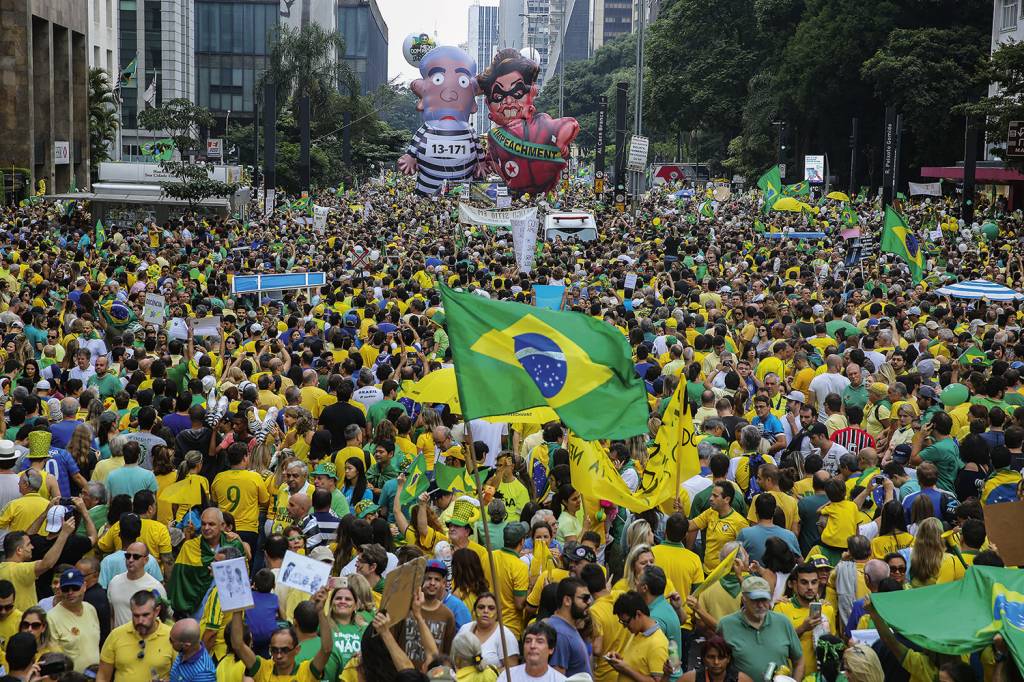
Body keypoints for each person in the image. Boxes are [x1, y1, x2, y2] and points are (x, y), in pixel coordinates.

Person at [228, 585, 334, 680]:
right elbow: (238, 645)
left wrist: (320, 611)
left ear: (297, 649)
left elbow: (326, 649)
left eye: (285, 650)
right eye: (274, 650)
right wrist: (238, 608)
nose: (278, 655)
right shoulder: (263, 669)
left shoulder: (306, 672)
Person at [717, 576, 804, 680]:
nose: (761, 605)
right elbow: (716, 664)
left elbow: (799, 661)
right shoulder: (726, 625)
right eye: (755, 600)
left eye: (764, 599)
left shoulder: (783, 622)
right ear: (743, 599)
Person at [772, 563, 835, 676]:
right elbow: (776, 644)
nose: (810, 587)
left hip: (820, 677)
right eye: (804, 582)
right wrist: (802, 628)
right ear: (793, 584)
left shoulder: (827, 609)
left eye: (814, 582)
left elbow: (833, 644)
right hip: (791, 676)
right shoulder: (781, 607)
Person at [97, 590, 174, 681]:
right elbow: (103, 675)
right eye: (136, 615)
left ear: (156, 611)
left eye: (145, 615)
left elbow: (182, 674)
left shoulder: (171, 636)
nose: (140, 620)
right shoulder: (116, 635)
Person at [45, 567, 101, 672]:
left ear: (84, 586)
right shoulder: (51, 618)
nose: (70, 592)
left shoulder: (90, 609)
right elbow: (56, 658)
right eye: (66, 589)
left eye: (75, 587)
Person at [608, 590, 670, 682]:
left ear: (638, 614)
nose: (625, 626)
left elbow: (658, 681)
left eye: (626, 622)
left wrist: (626, 669)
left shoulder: (657, 643)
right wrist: (620, 661)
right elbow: (639, 666)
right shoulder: (637, 632)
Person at [107, 541, 166, 627]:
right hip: (120, 638)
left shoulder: (156, 587)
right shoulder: (114, 582)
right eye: (127, 556)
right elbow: (111, 614)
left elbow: (164, 618)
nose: (130, 560)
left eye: (136, 557)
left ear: (146, 560)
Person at [457, 591, 520, 669]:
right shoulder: (464, 629)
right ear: (474, 611)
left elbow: (512, 670)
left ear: (498, 613)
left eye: (491, 608)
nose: (486, 611)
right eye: (481, 607)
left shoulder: (505, 635)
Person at [544, 577, 591, 676]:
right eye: (584, 598)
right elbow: (557, 677)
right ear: (567, 600)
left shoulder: (563, 628)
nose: (589, 602)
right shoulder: (561, 634)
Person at [679, 635, 753, 682]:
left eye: (721, 657)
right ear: (703, 658)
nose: (716, 662)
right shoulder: (690, 679)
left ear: (728, 659)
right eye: (711, 657)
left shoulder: (742, 679)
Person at [168, 618, 217, 682]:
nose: (169, 642)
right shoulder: (184, 652)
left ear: (186, 645)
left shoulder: (203, 673)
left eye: (172, 641)